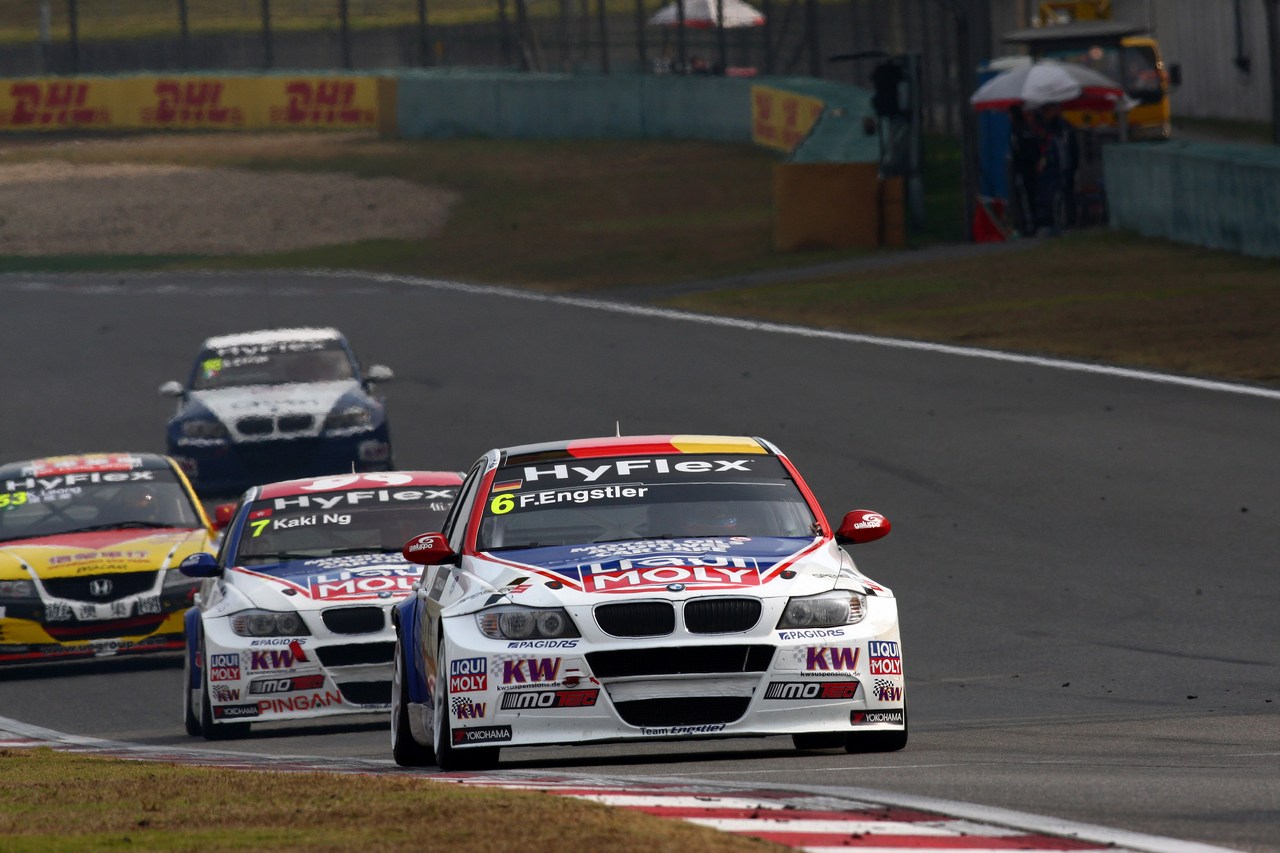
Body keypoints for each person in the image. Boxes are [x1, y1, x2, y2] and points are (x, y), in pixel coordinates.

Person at [1007, 105, 1042, 236]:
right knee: (1030, 197)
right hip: (1028, 169)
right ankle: (1031, 224)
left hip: (1024, 170)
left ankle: (1029, 226)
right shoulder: (1025, 130)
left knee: (1026, 198)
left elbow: (1021, 151)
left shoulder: (1019, 131)